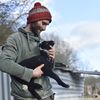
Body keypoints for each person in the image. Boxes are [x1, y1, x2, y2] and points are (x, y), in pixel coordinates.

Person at [0, 2, 55, 100]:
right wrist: (31, 73)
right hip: (25, 97)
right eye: (43, 23)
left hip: (47, 95)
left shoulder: (41, 42)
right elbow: (3, 63)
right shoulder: (15, 39)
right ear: (33, 20)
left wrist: (51, 58)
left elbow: (48, 70)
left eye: (47, 25)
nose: (44, 28)